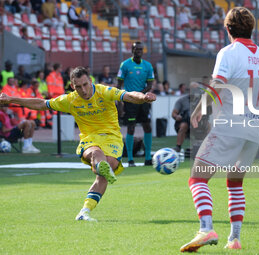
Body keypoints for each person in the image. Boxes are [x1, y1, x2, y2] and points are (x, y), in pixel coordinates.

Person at [0, 66, 156, 221]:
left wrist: (143, 97)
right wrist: (12, 99)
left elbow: (128, 95)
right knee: (96, 153)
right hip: (89, 139)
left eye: (85, 84)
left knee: (103, 174)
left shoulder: (104, 91)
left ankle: (84, 211)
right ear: (73, 86)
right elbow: (41, 104)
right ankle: (101, 166)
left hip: (111, 138)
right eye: (78, 87)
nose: (83, 90)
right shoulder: (70, 99)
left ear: (90, 81)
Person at [180, 7, 259, 252]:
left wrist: (201, 106)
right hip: (254, 129)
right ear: (252, 28)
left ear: (227, 28)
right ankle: (234, 239)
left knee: (197, 177)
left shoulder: (228, 52)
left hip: (230, 125)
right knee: (235, 183)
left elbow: (218, 84)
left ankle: (206, 228)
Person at [117, 41, 155, 167]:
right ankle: (130, 160)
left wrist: (140, 95)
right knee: (131, 127)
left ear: (143, 51)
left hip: (143, 101)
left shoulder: (148, 66)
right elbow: (119, 85)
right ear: (132, 50)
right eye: (136, 49)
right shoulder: (125, 65)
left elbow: (149, 85)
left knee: (147, 126)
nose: (138, 51)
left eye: (140, 49)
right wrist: (120, 103)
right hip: (129, 101)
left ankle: (148, 158)